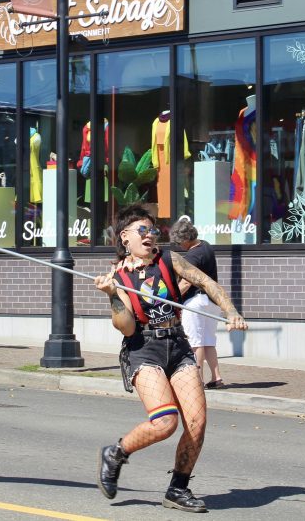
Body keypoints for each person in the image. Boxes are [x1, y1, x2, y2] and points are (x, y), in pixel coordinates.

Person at [93, 204, 247, 513]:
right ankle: (116, 453)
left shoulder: (168, 259)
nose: (149, 235)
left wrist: (231, 311)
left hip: (178, 344)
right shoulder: (119, 276)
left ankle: (178, 489)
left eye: (152, 230)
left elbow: (206, 283)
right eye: (142, 230)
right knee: (165, 422)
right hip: (144, 348)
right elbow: (125, 326)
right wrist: (112, 295)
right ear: (125, 237)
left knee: (196, 423)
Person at [169, 217, 225, 390]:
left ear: (185, 239)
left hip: (196, 301)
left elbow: (186, 283)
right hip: (212, 301)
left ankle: (197, 380)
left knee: (195, 341)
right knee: (208, 341)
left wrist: (172, 298)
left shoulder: (192, 256)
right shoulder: (206, 246)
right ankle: (216, 377)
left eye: (179, 243)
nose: (179, 246)